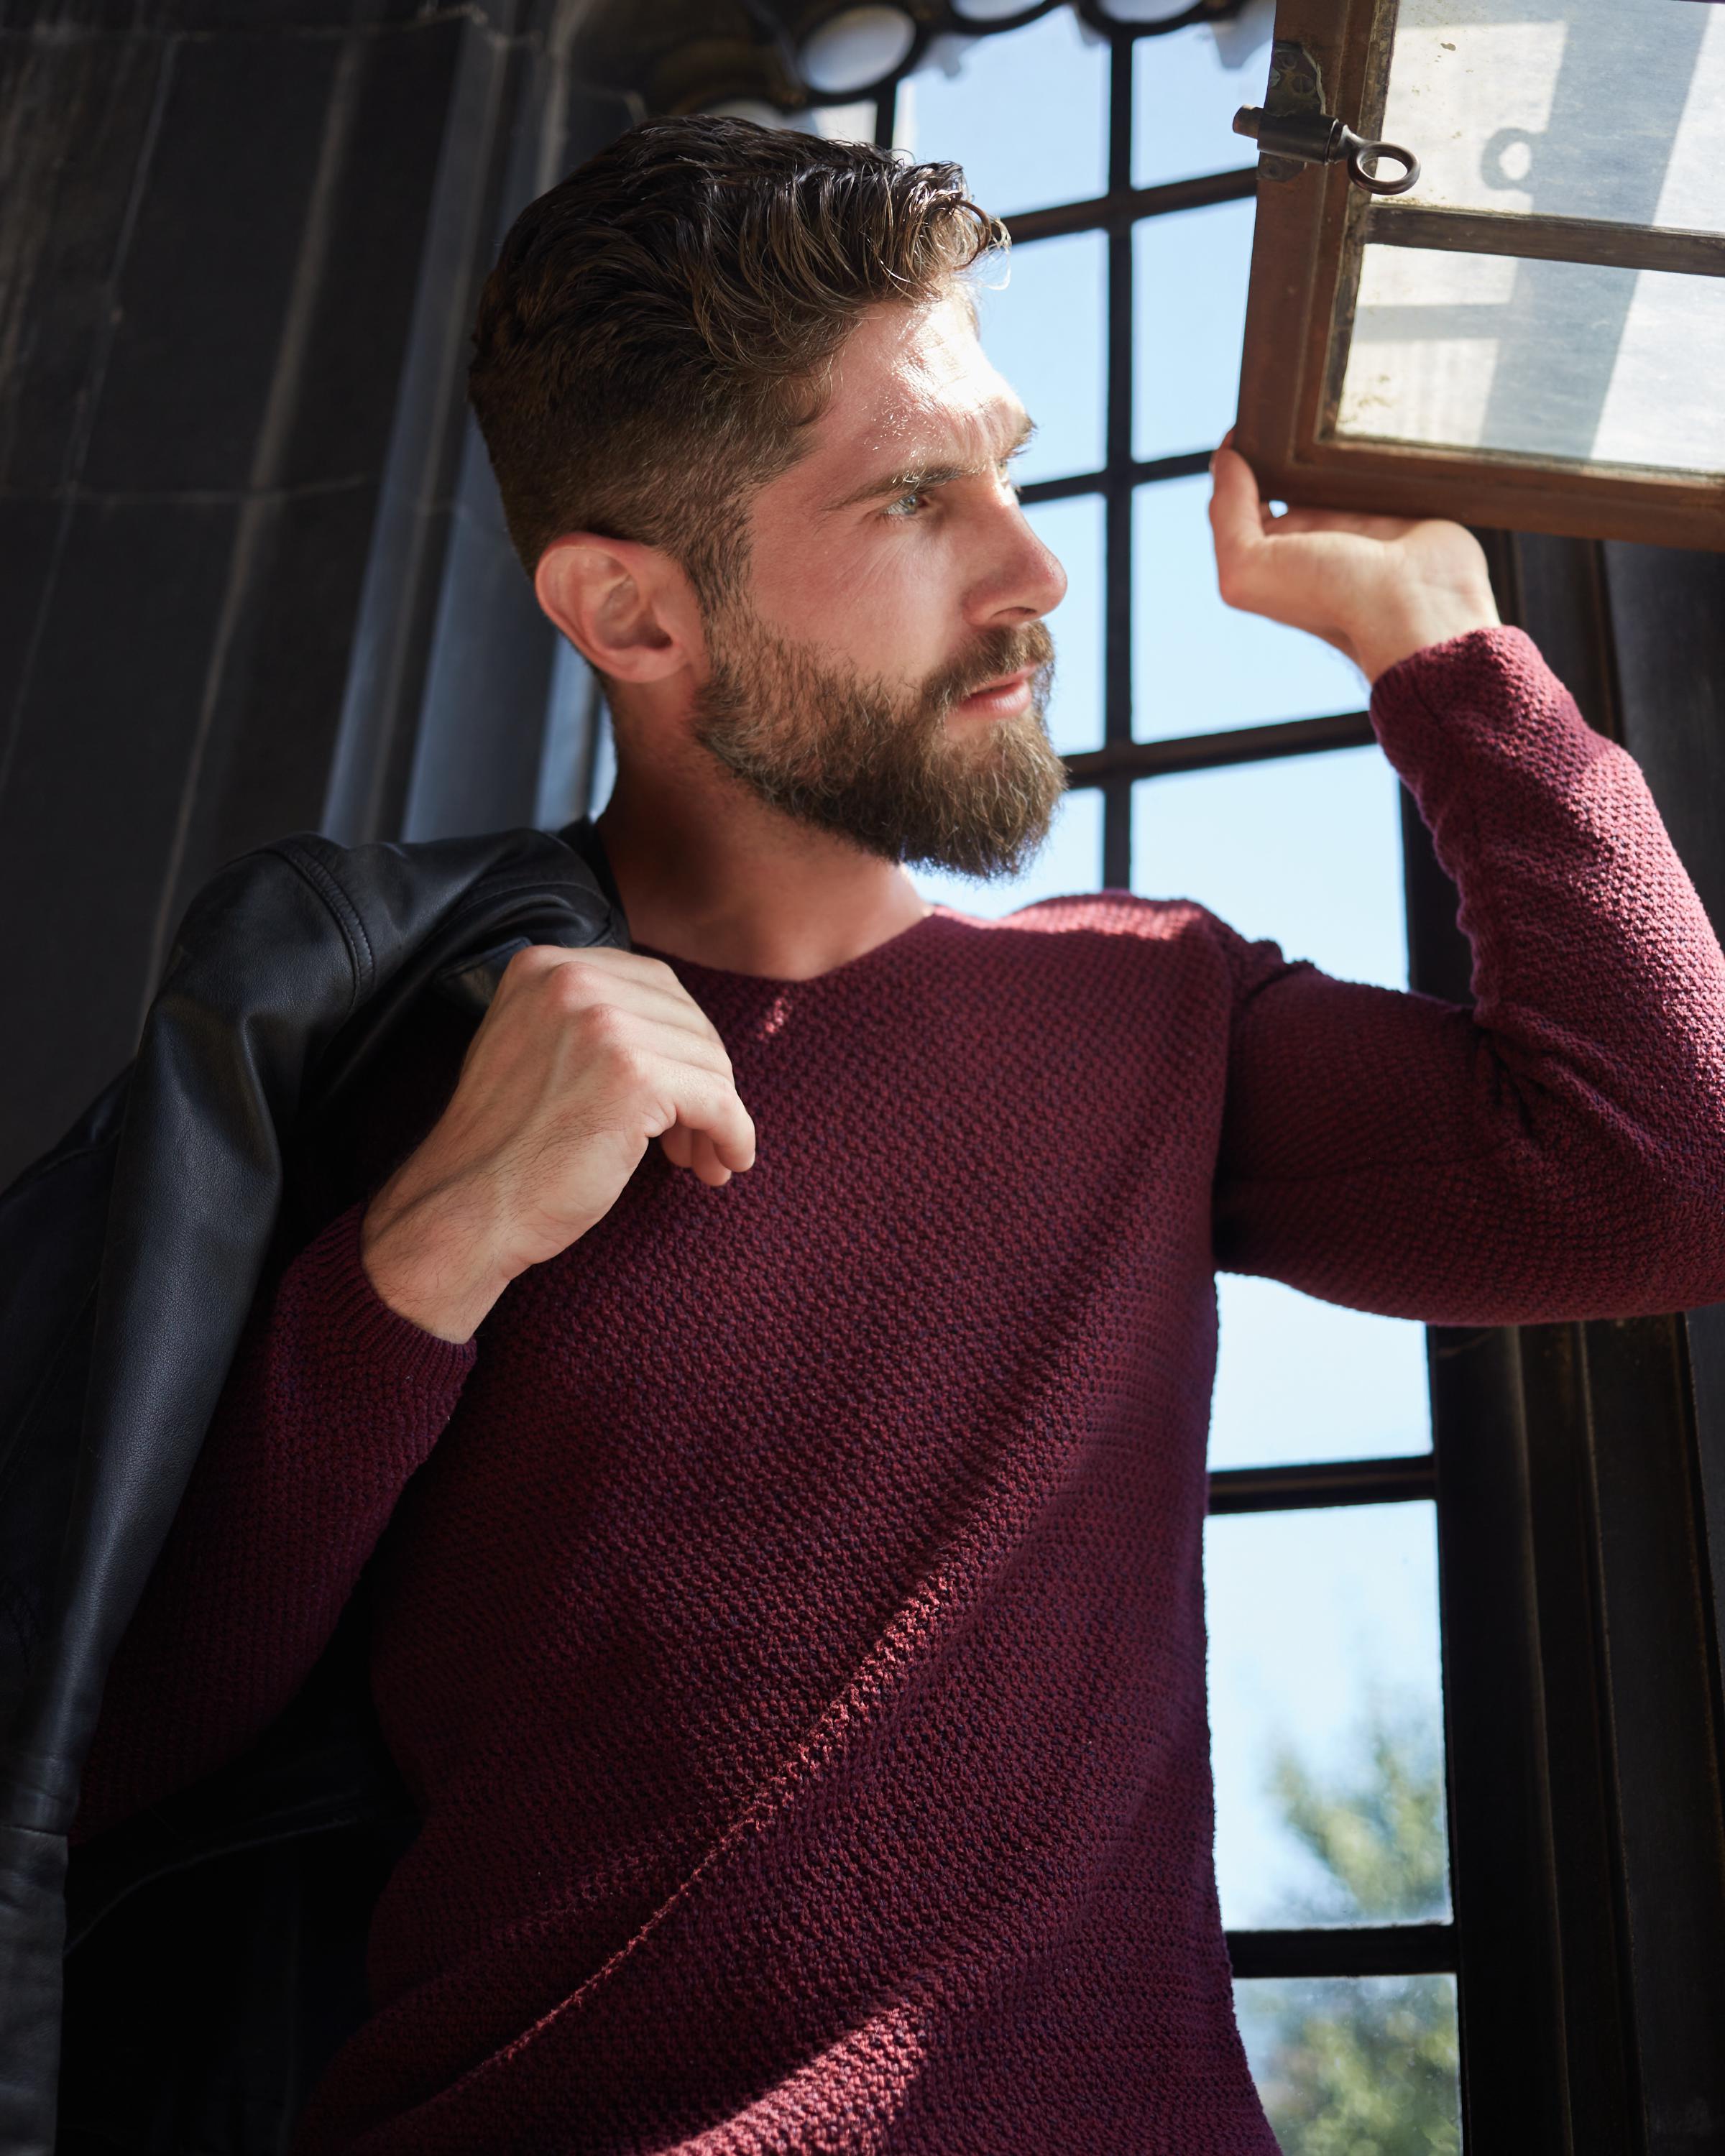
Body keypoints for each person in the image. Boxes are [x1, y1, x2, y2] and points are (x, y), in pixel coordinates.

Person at [72, 116, 1725, 2154]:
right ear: (631, 613)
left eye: (1010, 463)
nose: (1035, 564)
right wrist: (432, 1250)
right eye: (920, 497)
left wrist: (1454, 661)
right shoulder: (403, 1057)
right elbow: (118, 1756)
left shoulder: (1146, 1015)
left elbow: (1667, 1179)